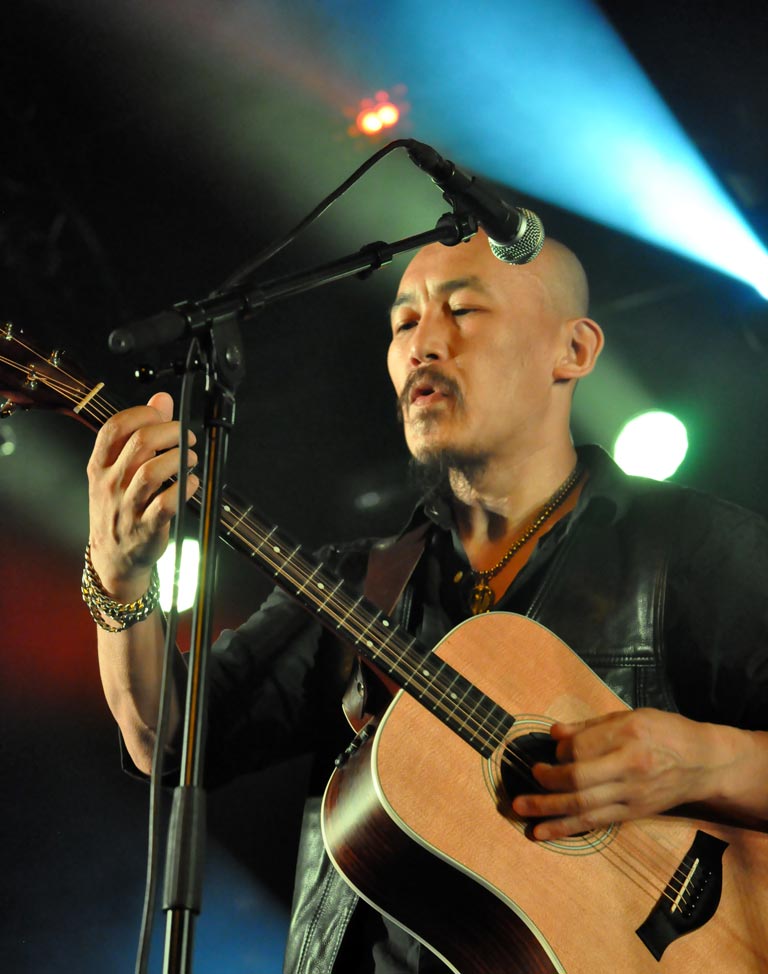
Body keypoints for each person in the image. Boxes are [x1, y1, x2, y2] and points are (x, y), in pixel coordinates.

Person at [85, 229, 768, 973]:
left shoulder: (691, 548)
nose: (422, 345)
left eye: (463, 310)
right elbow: (170, 739)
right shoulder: (356, 584)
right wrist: (118, 580)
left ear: (572, 350)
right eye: (404, 321)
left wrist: (702, 761)